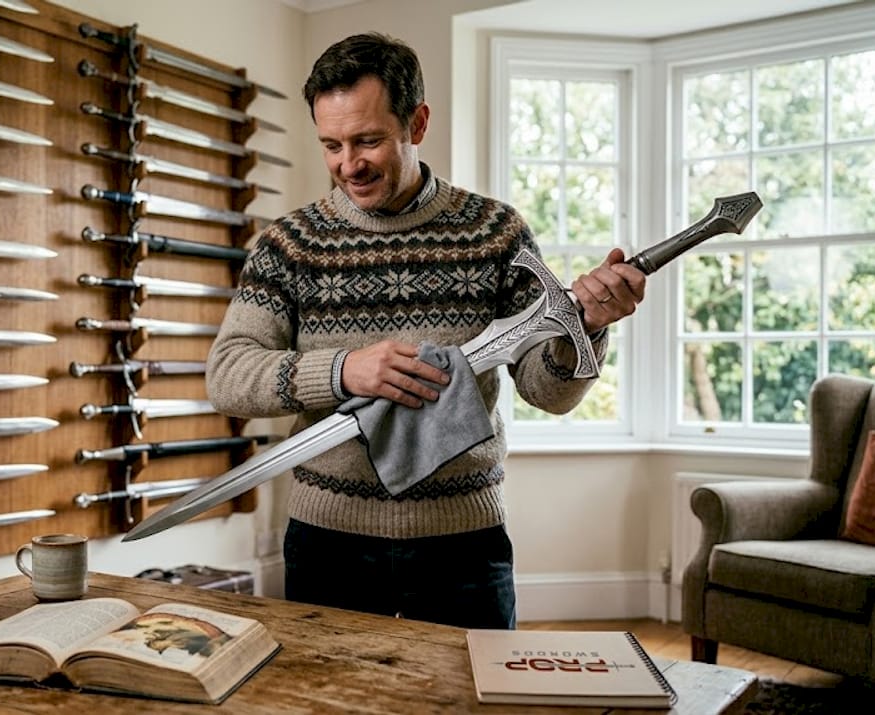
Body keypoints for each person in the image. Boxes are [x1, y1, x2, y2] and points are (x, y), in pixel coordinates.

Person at [205, 32, 646, 630]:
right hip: (326, 542)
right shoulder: (290, 244)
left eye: (368, 140)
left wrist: (586, 327)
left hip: (464, 542)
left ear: (417, 122)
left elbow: (548, 392)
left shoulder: (495, 232)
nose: (347, 165)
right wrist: (342, 370)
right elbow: (229, 378)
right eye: (330, 144)